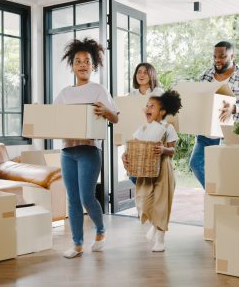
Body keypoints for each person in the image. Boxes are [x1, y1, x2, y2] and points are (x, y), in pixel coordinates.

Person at [54, 38, 119, 259]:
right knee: (72, 198)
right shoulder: (64, 94)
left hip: (90, 150)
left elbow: (115, 118)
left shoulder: (98, 90)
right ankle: (77, 244)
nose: (83, 65)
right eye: (78, 61)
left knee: (86, 197)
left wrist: (106, 112)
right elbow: (53, 120)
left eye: (87, 61)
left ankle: (100, 230)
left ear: (94, 65)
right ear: (72, 65)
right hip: (67, 151)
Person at [122, 90, 182, 252]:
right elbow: (132, 145)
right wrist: (124, 155)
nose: (147, 108)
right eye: (147, 105)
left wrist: (163, 149)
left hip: (163, 169)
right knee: (143, 200)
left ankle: (160, 239)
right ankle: (154, 225)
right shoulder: (143, 128)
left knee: (162, 203)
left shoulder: (167, 128)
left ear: (162, 112)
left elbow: (172, 150)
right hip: (145, 170)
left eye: (152, 106)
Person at [189, 41, 239, 188]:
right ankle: (213, 193)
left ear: (232, 56)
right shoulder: (206, 75)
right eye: (215, 56)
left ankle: (223, 197)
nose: (217, 60)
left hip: (230, 132)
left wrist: (233, 108)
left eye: (222, 56)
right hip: (206, 133)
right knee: (196, 164)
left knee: (225, 171)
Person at [128, 62, 164, 184]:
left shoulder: (158, 92)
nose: (141, 75)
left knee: (151, 174)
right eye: (139, 72)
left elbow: (164, 116)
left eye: (145, 72)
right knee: (134, 174)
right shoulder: (132, 95)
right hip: (136, 139)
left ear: (151, 75)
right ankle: (143, 202)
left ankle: (150, 202)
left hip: (153, 138)